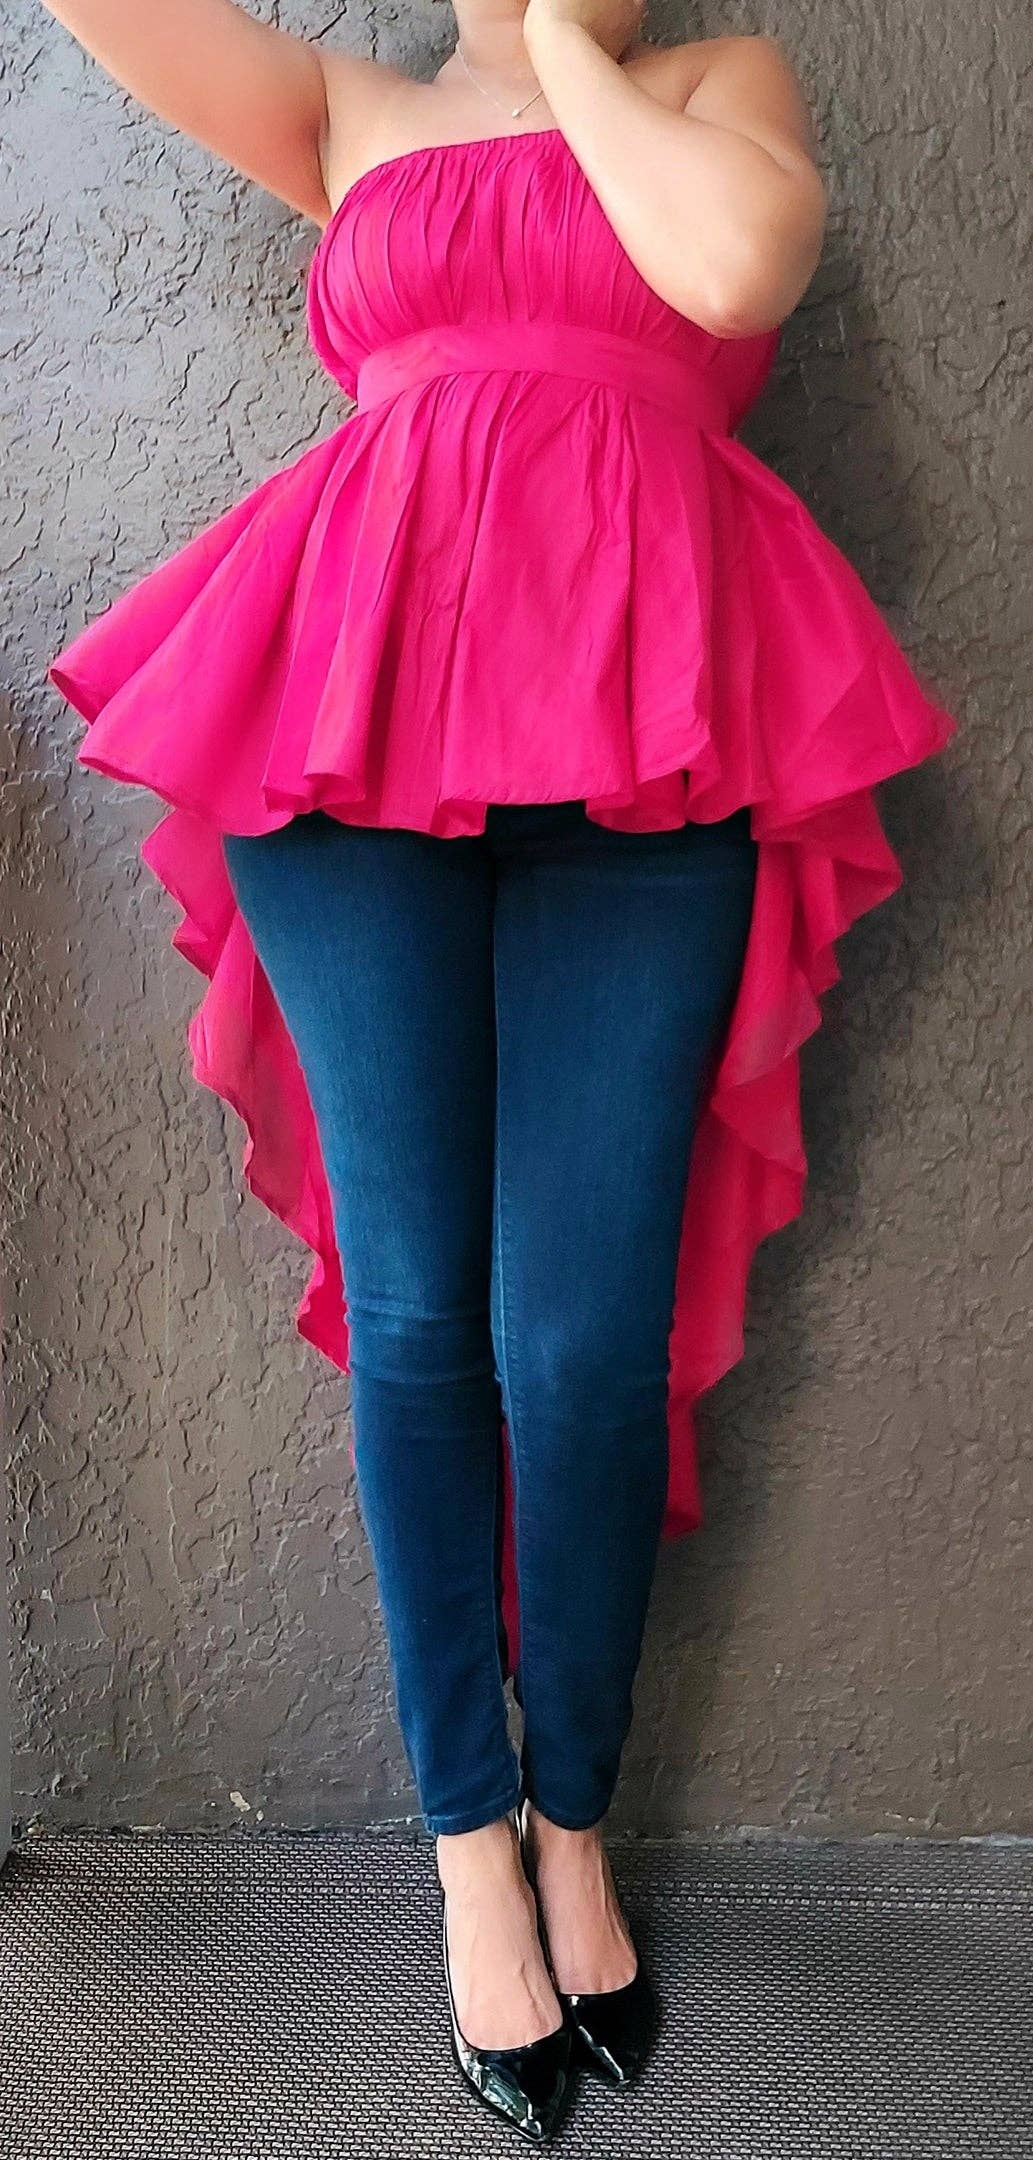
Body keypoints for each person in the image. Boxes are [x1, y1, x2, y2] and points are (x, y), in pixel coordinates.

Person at [43, 0, 956, 2142]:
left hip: (657, 732)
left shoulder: (715, 86)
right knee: (422, 1314)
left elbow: (730, 271)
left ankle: (576, 1818)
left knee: (583, 1338)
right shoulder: (341, 109)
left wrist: (555, 41)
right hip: (344, 722)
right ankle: (471, 1844)